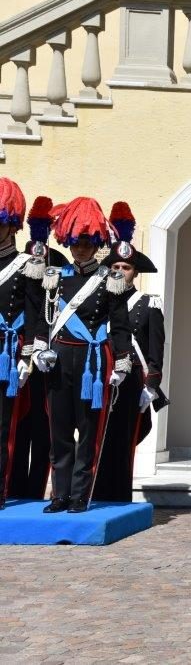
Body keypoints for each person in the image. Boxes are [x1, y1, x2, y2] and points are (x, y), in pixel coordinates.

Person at [33, 197, 132, 513]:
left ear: (96, 244)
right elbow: (44, 317)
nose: (81, 250)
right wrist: (39, 348)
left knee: (88, 432)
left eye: (87, 243)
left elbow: (119, 325)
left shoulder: (110, 279)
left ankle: (79, 496)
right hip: (60, 359)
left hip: (93, 361)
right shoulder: (56, 276)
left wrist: (122, 360)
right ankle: (59, 494)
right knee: (59, 431)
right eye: (76, 243)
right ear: (68, 242)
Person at [92, 202, 167, 503]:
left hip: (132, 379)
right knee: (95, 436)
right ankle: (93, 493)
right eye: (115, 267)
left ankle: (119, 496)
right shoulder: (98, 302)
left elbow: (155, 348)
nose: (120, 271)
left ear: (135, 273)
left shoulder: (148, 304)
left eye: (126, 267)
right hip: (99, 377)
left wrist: (151, 386)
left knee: (123, 439)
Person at [8, 196, 67, 501]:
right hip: (14, 354)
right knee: (14, 427)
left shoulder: (51, 265)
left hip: (42, 358)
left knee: (42, 432)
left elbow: (47, 311)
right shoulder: (17, 266)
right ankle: (14, 486)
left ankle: (33, 490)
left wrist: (36, 349)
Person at [0, 179, 45, 508]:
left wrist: (27, 355)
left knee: (3, 427)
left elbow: (35, 315)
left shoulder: (26, 266)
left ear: (12, 225)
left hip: (8, 355)